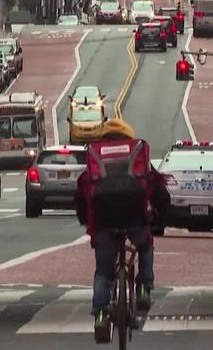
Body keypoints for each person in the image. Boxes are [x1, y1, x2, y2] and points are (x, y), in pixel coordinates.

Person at [74, 118, 171, 343]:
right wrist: (160, 219)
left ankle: (100, 314)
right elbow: (158, 190)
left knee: (103, 272)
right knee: (145, 246)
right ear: (128, 135)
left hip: (103, 221)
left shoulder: (95, 155)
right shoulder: (137, 152)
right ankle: (144, 287)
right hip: (134, 216)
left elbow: (81, 193)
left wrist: (85, 220)